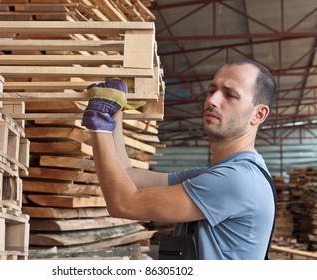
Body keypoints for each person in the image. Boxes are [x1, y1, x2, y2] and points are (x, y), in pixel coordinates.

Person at [82, 59, 277, 260]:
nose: (212, 100)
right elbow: (127, 174)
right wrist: (116, 110)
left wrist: (99, 125)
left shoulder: (237, 180)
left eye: (230, 95)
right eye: (212, 90)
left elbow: (123, 204)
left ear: (258, 114)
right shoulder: (216, 175)